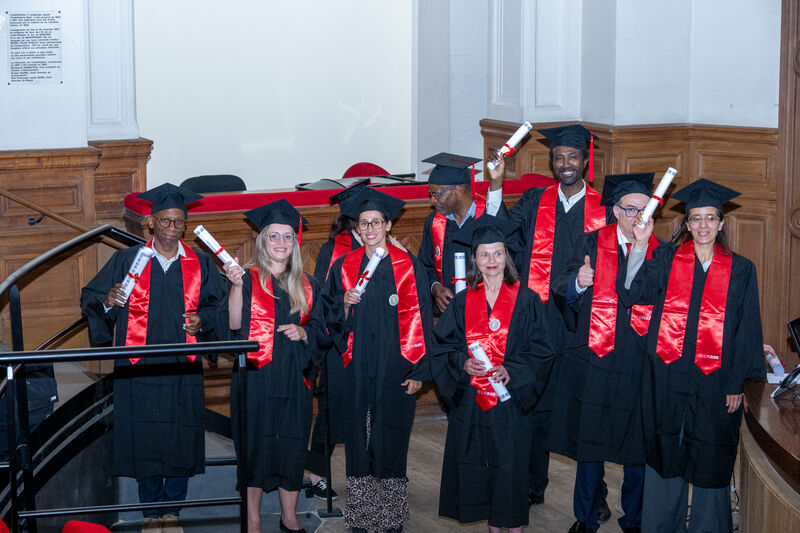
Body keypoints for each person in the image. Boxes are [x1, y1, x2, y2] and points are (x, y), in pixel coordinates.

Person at [621, 178, 765, 532]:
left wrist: (737, 384)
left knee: (711, 457)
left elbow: (746, 332)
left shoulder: (742, 269)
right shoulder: (666, 258)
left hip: (716, 382)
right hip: (666, 378)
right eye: (695, 218)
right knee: (664, 453)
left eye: (710, 218)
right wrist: (640, 245)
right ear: (685, 224)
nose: (703, 225)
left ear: (721, 223)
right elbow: (633, 294)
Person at [80, 183, 224, 533]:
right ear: (151, 222)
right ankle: (150, 511)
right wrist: (108, 302)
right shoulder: (128, 260)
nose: (172, 229)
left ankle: (173, 510)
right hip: (138, 365)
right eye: (165, 221)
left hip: (182, 364)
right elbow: (92, 297)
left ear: (185, 225)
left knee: (180, 432)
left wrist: (203, 321)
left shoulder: (200, 263)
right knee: (144, 434)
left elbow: (216, 306)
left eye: (178, 223)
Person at [486, 124, 608, 511]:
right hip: (538, 319)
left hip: (583, 323)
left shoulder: (605, 207)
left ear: (585, 160)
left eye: (572, 156)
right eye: (559, 157)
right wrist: (495, 186)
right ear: (552, 163)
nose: (566, 163)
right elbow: (499, 232)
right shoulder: (535, 200)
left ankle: (596, 496)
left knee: (585, 408)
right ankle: (532, 483)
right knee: (533, 403)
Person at [550, 173, 661, 533]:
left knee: (637, 446)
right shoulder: (591, 243)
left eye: (644, 211)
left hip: (639, 361)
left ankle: (636, 519)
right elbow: (560, 286)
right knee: (590, 442)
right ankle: (585, 517)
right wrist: (577, 284)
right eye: (630, 210)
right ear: (615, 211)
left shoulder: (662, 252)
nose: (637, 219)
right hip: (594, 358)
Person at [431, 216, 554, 533]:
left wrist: (510, 369)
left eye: (497, 253)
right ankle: (491, 526)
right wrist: (462, 362)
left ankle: (513, 527)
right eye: (484, 254)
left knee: (510, 469)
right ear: (474, 259)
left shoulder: (527, 301)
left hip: (510, 401)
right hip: (472, 402)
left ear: (507, 256)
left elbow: (542, 349)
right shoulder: (460, 303)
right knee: (478, 468)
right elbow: (441, 346)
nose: (491, 261)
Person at [323, 187, 434, 533]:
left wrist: (421, 372)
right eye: (363, 224)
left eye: (376, 222)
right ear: (356, 229)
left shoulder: (408, 266)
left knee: (393, 437)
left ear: (388, 225)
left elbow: (425, 321)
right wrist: (344, 302)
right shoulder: (344, 267)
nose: (369, 229)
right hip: (356, 368)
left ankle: (389, 517)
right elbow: (326, 318)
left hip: (396, 368)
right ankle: (362, 515)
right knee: (358, 439)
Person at [222, 199, 325, 533]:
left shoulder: (309, 284)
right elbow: (235, 324)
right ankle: (252, 520)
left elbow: (325, 331)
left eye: (287, 237)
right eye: (274, 236)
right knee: (254, 445)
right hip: (255, 378)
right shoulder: (248, 279)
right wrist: (236, 287)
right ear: (262, 241)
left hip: (295, 379)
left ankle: (289, 516)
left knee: (292, 444)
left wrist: (305, 331)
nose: (281, 243)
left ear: (294, 243)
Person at [306, 181, 367, 501]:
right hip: (338, 343)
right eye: (362, 215)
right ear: (352, 218)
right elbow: (322, 300)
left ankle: (369, 474)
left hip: (372, 340)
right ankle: (317, 473)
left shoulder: (382, 246)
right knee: (331, 410)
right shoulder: (334, 249)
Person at [419, 152, 487, 313]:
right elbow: (425, 265)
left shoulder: (488, 216)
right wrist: (435, 288)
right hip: (445, 313)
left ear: (458, 189)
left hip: (484, 310)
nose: (432, 200)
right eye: (431, 194)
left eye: (436, 194)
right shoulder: (434, 222)